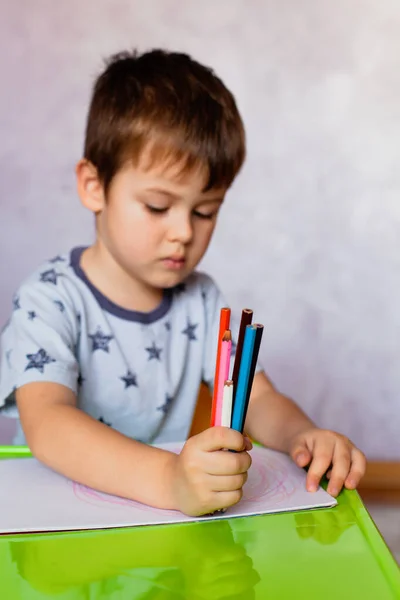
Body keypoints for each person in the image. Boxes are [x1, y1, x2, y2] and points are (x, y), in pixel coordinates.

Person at [0, 49, 366, 517]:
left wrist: (301, 435)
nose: (184, 232)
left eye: (205, 211)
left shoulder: (201, 299)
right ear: (94, 186)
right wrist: (166, 479)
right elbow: (49, 423)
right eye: (157, 206)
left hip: (154, 520)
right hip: (53, 525)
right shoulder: (48, 299)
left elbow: (256, 397)